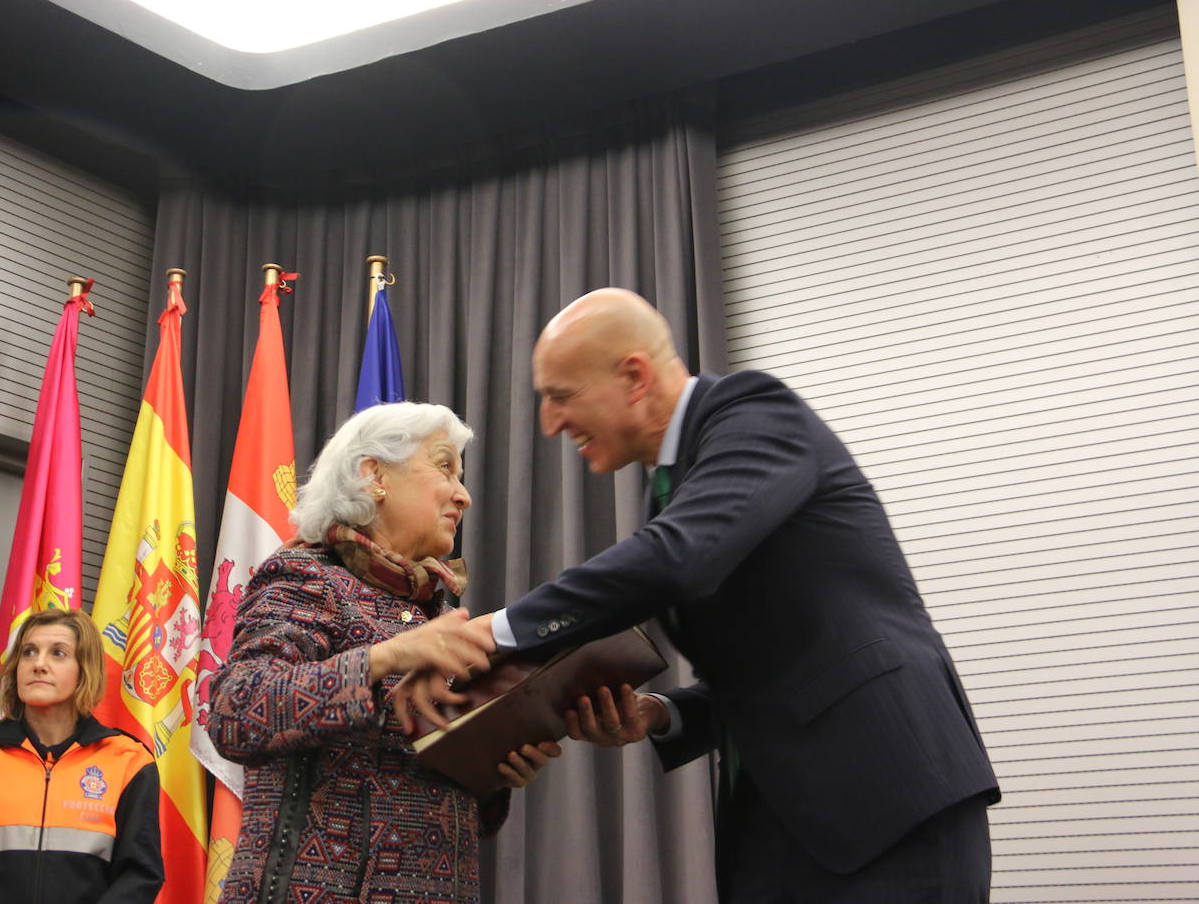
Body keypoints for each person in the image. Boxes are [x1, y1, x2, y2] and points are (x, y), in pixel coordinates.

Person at [394, 288, 1001, 901]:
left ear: (634, 376)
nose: (550, 423)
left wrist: (485, 633)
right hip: (785, 827)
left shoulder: (756, 412)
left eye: (561, 396)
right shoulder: (671, 489)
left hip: (887, 798)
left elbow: (675, 558)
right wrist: (660, 714)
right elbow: (770, 665)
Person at [207, 401, 560, 904]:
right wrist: (385, 658)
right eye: (444, 467)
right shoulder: (307, 576)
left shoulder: (431, 615)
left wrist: (493, 767)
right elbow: (234, 709)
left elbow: (424, 787)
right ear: (375, 475)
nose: (464, 496)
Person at [0, 608, 163, 903]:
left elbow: (140, 874)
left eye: (58, 653)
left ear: (85, 669)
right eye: (29, 652)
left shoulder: (128, 761)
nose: (38, 664)